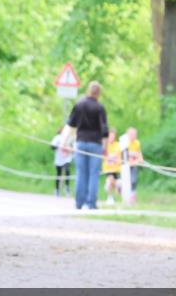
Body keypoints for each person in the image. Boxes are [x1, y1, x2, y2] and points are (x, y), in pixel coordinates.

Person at [63, 81, 109, 210]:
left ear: (88, 91)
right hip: (96, 143)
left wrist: (64, 142)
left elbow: (70, 125)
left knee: (81, 172)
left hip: (81, 142)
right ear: (99, 93)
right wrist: (105, 147)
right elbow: (105, 130)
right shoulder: (100, 108)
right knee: (94, 174)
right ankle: (91, 203)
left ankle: (79, 202)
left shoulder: (79, 105)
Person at [121, 126, 144, 203]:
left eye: (135, 134)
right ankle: (125, 195)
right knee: (126, 181)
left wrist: (139, 160)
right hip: (125, 166)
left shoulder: (137, 143)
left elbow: (139, 155)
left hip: (134, 165)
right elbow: (123, 155)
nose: (133, 136)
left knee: (133, 180)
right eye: (132, 134)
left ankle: (133, 195)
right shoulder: (124, 143)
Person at [101, 127, 122, 205]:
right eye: (110, 136)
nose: (111, 138)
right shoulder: (105, 145)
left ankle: (115, 188)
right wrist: (111, 157)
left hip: (117, 169)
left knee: (112, 182)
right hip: (108, 168)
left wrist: (110, 157)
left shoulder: (118, 145)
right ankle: (110, 196)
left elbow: (117, 155)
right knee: (110, 180)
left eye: (113, 136)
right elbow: (104, 156)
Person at [50, 131, 74, 197]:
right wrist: (57, 146)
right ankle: (57, 190)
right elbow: (52, 147)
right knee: (59, 174)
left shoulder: (70, 138)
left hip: (67, 158)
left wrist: (70, 149)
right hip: (59, 159)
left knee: (67, 171)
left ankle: (67, 188)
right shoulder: (57, 137)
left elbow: (74, 147)